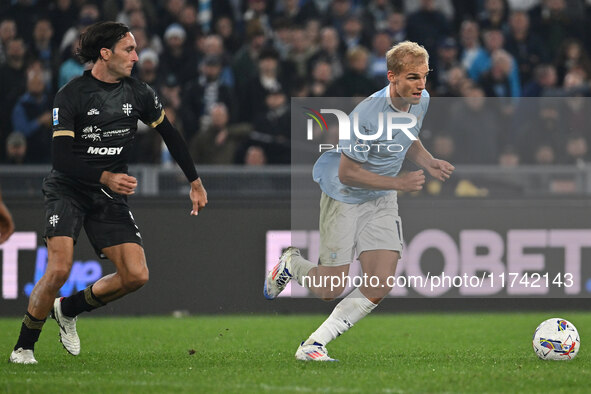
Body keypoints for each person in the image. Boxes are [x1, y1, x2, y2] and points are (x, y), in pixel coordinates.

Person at [9, 21, 208, 365]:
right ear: (106, 53)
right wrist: (105, 176)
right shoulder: (70, 95)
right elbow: (61, 159)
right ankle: (24, 346)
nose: (136, 56)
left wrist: (195, 181)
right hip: (68, 189)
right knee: (59, 269)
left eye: (135, 49)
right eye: (129, 50)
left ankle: (68, 309)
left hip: (108, 194)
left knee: (136, 275)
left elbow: (171, 135)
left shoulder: (139, 93)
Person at [264, 41, 454, 361]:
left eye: (424, 76)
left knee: (380, 283)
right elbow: (349, 173)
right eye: (412, 77)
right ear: (391, 77)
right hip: (345, 196)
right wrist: (400, 182)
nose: (421, 85)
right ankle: (291, 264)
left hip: (382, 198)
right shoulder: (366, 114)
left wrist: (428, 161)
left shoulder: (421, 100)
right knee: (329, 289)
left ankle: (313, 344)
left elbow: (405, 135)